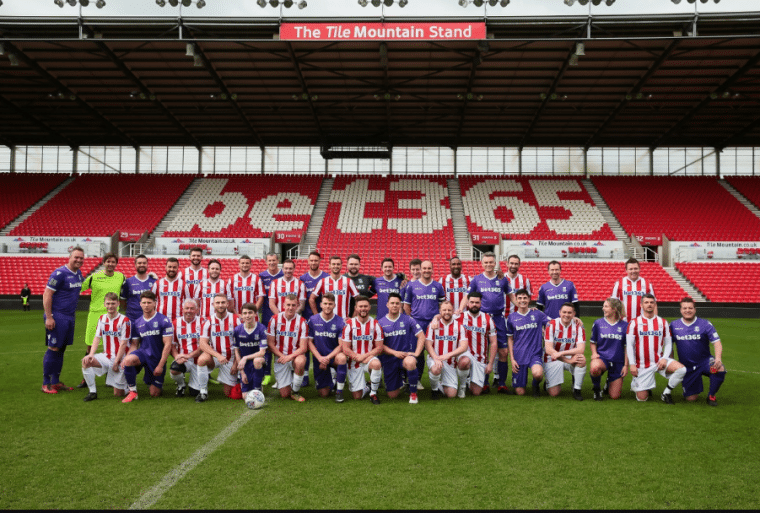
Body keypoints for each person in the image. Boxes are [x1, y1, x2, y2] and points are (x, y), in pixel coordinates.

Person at [460, 252, 516, 394]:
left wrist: (524, 307)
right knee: (483, 351)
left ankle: (501, 383)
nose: (489, 265)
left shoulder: (502, 279)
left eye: (491, 262)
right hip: (482, 318)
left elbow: (511, 296)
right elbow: (467, 296)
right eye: (486, 262)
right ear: (482, 263)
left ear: (495, 262)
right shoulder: (476, 279)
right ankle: (483, 382)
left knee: (503, 351)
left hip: (498, 318)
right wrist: (459, 310)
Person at [626, 294, 686, 404]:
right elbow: (629, 345)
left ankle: (666, 393)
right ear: (641, 305)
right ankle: (641, 385)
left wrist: (664, 358)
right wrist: (632, 364)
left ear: (655, 305)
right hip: (642, 364)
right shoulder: (634, 323)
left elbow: (668, 344)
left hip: (659, 361)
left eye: (651, 302)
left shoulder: (663, 322)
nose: (649, 304)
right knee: (642, 399)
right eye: (646, 302)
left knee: (682, 369)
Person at [78, 253, 125, 388]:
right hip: (95, 316)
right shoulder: (94, 277)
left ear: (116, 264)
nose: (110, 264)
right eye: (108, 261)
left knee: (113, 347)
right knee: (89, 346)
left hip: (113, 316)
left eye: (113, 262)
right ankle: (85, 378)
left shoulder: (121, 277)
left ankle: (110, 378)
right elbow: (78, 287)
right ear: (103, 262)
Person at [41, 246, 85, 394]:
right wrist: (49, 316)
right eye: (76, 257)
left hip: (69, 317)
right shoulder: (59, 273)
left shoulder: (78, 274)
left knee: (61, 349)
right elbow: (47, 294)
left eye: (81, 258)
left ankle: (56, 382)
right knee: (53, 348)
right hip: (57, 316)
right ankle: (46, 383)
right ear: (70, 257)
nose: (79, 260)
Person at [670, 297, 726, 406]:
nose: (687, 310)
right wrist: (671, 361)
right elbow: (669, 345)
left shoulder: (705, 324)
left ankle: (711, 395)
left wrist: (718, 358)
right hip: (687, 366)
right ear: (681, 310)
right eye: (685, 308)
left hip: (704, 361)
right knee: (691, 398)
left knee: (719, 368)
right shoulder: (673, 325)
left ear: (695, 309)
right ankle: (693, 385)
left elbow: (717, 342)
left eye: (690, 308)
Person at [120, 290, 174, 403]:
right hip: (143, 354)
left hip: (156, 358)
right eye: (144, 302)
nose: (146, 305)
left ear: (155, 303)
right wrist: (126, 357)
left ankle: (153, 381)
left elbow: (168, 345)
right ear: (140, 304)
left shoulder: (163, 320)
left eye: (149, 302)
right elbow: (134, 344)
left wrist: (160, 365)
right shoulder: (137, 322)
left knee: (154, 394)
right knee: (129, 360)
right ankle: (133, 392)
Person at [403, 260, 445, 388]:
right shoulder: (411, 285)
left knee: (436, 351)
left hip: (433, 325)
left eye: (429, 268)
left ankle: (439, 379)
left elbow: (442, 306)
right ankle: (417, 379)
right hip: (417, 323)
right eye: (424, 268)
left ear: (432, 270)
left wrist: (437, 318)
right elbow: (406, 306)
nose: (426, 270)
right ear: (420, 270)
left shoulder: (438, 286)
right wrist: (412, 321)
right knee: (417, 352)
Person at [80, 292, 130, 401]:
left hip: (120, 358)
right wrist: (91, 355)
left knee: (118, 394)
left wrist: (116, 362)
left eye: (113, 303)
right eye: (108, 303)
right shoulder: (102, 318)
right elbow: (97, 338)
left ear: (118, 304)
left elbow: (123, 344)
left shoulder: (124, 320)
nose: (110, 306)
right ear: (104, 304)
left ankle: (128, 387)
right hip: (106, 356)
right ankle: (92, 392)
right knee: (86, 361)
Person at [379, 292, 425, 404]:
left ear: (400, 305)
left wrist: (416, 354)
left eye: (397, 303)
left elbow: (421, 336)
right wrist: (394, 353)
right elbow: (379, 345)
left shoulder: (408, 319)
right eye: (392, 303)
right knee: (392, 395)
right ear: (387, 305)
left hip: (405, 357)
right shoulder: (380, 323)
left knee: (410, 362)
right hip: (390, 359)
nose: (395, 305)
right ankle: (400, 382)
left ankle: (413, 394)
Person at [340, 295, 384, 404]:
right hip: (354, 361)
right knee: (357, 397)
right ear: (356, 308)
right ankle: (368, 386)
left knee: (376, 364)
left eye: (365, 306)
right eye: (360, 306)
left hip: (368, 358)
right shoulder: (349, 325)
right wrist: (357, 358)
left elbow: (379, 347)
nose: (363, 309)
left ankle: (373, 393)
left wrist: (364, 357)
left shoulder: (375, 324)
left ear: (369, 307)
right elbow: (345, 348)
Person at [197, 294, 242, 399]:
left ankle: (238, 378)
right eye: (217, 303)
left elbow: (240, 344)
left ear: (227, 304)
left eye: (223, 302)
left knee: (229, 393)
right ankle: (203, 391)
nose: (220, 305)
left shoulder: (236, 320)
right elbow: (203, 343)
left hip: (231, 358)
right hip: (215, 357)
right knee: (202, 359)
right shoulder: (208, 321)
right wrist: (218, 355)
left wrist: (235, 364)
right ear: (213, 305)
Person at [507, 289, 549, 397]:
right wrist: (512, 359)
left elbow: (553, 323)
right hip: (519, 355)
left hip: (534, 353)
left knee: (538, 374)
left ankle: (535, 385)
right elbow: (510, 339)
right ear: (516, 300)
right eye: (520, 298)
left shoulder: (538, 314)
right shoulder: (511, 317)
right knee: (520, 393)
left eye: (525, 298)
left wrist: (574, 319)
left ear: (529, 299)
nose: (522, 300)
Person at [267, 294, 309, 402]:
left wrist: (289, 357)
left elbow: (303, 348)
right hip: (280, 358)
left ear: (297, 306)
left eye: (293, 305)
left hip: (294, 356)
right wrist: (283, 356)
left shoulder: (302, 322)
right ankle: (290, 379)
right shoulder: (274, 319)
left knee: (301, 361)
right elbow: (270, 344)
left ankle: (295, 391)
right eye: (288, 305)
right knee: (284, 394)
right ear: (283, 305)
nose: (290, 307)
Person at [307, 293, 348, 402]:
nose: (327, 306)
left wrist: (328, 358)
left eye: (330, 304)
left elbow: (341, 345)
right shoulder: (313, 320)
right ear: (320, 305)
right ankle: (333, 380)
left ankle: (339, 392)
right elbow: (309, 342)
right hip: (319, 358)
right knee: (324, 394)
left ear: (334, 305)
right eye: (325, 303)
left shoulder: (340, 321)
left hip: (333, 357)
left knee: (342, 358)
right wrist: (320, 358)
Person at [426, 300, 469, 399]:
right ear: (440, 311)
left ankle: (439, 382)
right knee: (436, 368)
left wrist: (448, 355)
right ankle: (434, 390)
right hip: (435, 358)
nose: (447, 312)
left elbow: (464, 346)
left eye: (449, 310)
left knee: (451, 394)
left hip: (450, 362)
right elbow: (428, 344)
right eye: (444, 310)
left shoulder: (459, 326)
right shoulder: (433, 325)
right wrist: (436, 358)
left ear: (453, 311)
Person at [457, 292, 497, 397]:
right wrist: (435, 318)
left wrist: (490, 363)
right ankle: (462, 386)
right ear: (467, 303)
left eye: (477, 302)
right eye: (472, 302)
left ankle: (468, 379)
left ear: (481, 304)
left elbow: (493, 343)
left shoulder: (487, 319)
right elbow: (443, 316)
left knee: (476, 392)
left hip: (480, 358)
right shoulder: (460, 317)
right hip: (465, 354)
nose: (474, 304)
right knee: (464, 362)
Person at [543, 302, 586, 401]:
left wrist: (562, 353)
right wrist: (568, 361)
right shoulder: (551, 324)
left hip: (566, 355)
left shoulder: (579, 325)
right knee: (554, 393)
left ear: (574, 314)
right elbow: (549, 350)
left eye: (569, 313)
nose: (566, 315)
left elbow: (581, 349)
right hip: (552, 358)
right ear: (559, 312)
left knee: (581, 359)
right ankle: (549, 381)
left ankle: (577, 389)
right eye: (564, 312)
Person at [170, 298, 210, 402]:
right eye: (186, 308)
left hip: (198, 360)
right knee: (174, 368)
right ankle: (181, 385)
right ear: (182, 309)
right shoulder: (175, 323)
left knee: (194, 393)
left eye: (192, 308)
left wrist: (190, 355)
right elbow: (172, 344)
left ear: (197, 310)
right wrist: (177, 357)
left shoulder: (203, 322)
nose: (189, 311)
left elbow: (205, 345)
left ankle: (199, 383)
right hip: (184, 359)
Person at [589, 297, 629, 401]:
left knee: (614, 396)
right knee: (594, 368)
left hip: (618, 361)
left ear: (614, 309)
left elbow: (627, 347)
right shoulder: (598, 323)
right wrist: (594, 353)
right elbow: (593, 342)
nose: (603, 308)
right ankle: (597, 390)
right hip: (603, 358)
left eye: (606, 306)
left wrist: (626, 365)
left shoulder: (625, 325)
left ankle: (608, 382)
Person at [233, 303, 268, 398]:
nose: (247, 315)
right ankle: (250, 381)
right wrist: (242, 372)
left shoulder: (262, 329)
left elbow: (262, 352)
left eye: (250, 313)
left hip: (258, 361)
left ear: (255, 314)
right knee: (245, 396)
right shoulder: (237, 330)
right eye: (244, 313)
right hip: (244, 365)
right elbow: (236, 351)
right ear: (241, 315)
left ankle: (257, 388)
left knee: (257, 361)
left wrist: (245, 357)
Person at [258, 252, 283, 386]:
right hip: (267, 317)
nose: (272, 263)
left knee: (282, 345)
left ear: (278, 261)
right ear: (266, 261)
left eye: (274, 260)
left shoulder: (284, 276)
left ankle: (282, 374)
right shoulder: (261, 276)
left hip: (284, 317)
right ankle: (267, 374)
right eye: (269, 260)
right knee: (267, 345)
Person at [310, 255, 359, 320]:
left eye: (338, 264)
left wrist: (353, 318)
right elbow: (311, 299)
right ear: (329, 266)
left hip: (343, 320)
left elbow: (359, 300)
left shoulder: (348, 281)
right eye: (333, 264)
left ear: (341, 266)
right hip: (326, 320)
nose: (336, 266)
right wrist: (317, 316)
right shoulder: (323, 281)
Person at [120, 254, 157, 326]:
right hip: (132, 319)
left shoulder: (154, 281)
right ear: (135, 265)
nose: (142, 265)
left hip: (149, 319)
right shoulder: (128, 282)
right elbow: (123, 301)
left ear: (147, 264)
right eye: (139, 263)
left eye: (144, 263)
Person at [300, 251, 329, 321]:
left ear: (319, 261)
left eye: (316, 260)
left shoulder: (326, 277)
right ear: (308, 261)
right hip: (306, 315)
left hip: (324, 315)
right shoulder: (302, 278)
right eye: (311, 260)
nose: (313, 263)